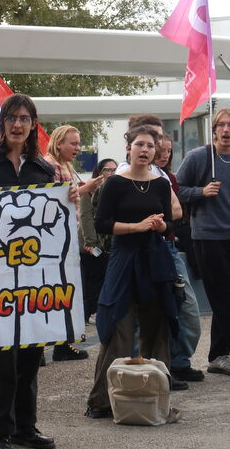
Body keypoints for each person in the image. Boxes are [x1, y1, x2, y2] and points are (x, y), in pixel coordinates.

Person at [0, 94, 78, 449]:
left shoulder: (42, 170)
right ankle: (0, 431)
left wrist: (69, 197)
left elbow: (57, 217)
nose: (17, 124)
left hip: (35, 275)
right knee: (3, 356)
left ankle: (26, 427)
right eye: (11, 117)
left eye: (25, 118)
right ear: (2, 123)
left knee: (31, 354)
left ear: (33, 125)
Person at [85, 126, 178, 418]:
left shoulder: (161, 184)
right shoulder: (115, 183)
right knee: (118, 328)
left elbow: (171, 226)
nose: (145, 150)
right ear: (129, 148)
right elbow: (101, 224)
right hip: (124, 257)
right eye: (140, 144)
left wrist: (162, 227)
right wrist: (135, 227)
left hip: (154, 259)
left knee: (156, 328)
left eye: (150, 146)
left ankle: (155, 396)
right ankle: (102, 400)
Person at [177, 107, 230, 376]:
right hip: (209, 236)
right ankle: (219, 355)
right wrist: (201, 191)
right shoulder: (199, 157)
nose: (226, 130)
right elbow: (176, 189)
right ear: (214, 129)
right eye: (221, 125)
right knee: (221, 296)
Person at [44, 125, 102, 361]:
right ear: (59, 143)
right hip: (56, 240)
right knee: (57, 291)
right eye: (74, 143)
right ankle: (56, 345)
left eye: (78, 143)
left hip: (64, 237)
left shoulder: (64, 166)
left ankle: (62, 342)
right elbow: (54, 199)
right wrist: (86, 188)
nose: (78, 148)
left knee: (65, 291)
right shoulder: (51, 165)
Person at [154, 135, 203, 383]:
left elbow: (177, 212)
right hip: (147, 248)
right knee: (151, 312)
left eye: (169, 152)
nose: (164, 156)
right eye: (160, 150)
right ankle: (155, 368)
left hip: (170, 246)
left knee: (187, 308)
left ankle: (180, 361)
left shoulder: (170, 178)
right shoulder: (131, 177)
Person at [79, 159, 117, 327]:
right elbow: (86, 215)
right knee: (94, 277)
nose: (111, 173)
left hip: (108, 242)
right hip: (92, 242)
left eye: (114, 169)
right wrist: (91, 242)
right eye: (107, 169)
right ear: (99, 172)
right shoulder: (90, 188)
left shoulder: (115, 189)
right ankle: (93, 312)